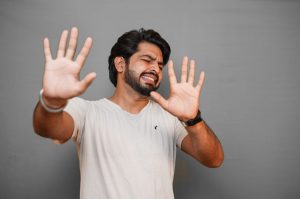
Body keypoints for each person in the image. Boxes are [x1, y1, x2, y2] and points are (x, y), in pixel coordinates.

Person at [33, 27, 224, 199]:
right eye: (147, 60)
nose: (156, 69)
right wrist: (52, 102)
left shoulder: (171, 119)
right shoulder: (87, 112)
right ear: (120, 64)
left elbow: (214, 159)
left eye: (159, 65)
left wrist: (192, 119)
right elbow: (49, 129)